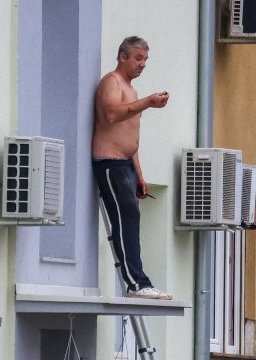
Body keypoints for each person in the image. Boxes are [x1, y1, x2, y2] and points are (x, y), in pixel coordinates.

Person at [92, 36, 172, 300]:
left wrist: (139, 174)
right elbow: (112, 114)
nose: (143, 64)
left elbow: (131, 138)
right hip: (109, 164)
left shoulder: (131, 90)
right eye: (139, 58)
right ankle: (135, 284)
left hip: (125, 164)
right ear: (122, 57)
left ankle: (141, 281)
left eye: (146, 60)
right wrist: (148, 102)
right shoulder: (111, 82)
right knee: (124, 220)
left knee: (133, 219)